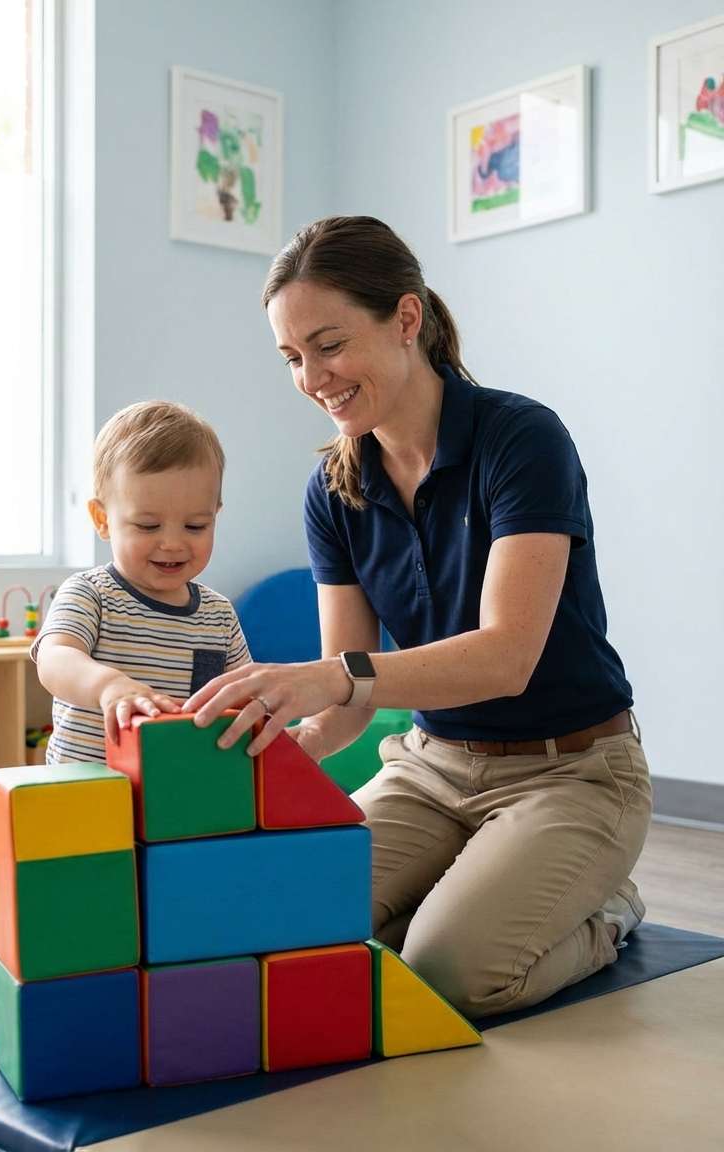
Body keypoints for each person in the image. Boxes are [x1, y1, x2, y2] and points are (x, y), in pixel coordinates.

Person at [184, 215, 653, 1020]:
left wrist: (326, 679)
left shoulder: (521, 440)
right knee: (286, 922)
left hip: (570, 773)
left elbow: (507, 656)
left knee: (446, 972)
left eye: (328, 345)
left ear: (406, 320)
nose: (312, 378)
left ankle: (606, 909)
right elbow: (348, 697)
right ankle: (485, 884)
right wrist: (274, 746)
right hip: (430, 768)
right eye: (293, 358)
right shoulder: (334, 489)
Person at [32, 399, 250, 759]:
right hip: (89, 788)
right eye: (148, 526)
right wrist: (108, 687)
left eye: (196, 526)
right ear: (102, 520)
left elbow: (241, 694)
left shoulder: (218, 615)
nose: (173, 543)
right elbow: (55, 660)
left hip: (180, 789)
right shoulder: (91, 595)